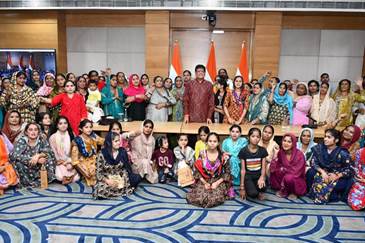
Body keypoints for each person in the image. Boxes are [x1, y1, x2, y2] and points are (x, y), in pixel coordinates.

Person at [307, 129, 353, 204]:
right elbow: (314, 162)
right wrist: (323, 172)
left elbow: (350, 169)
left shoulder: (342, 153)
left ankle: (332, 195)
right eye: (325, 136)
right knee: (310, 172)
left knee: (344, 182)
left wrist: (337, 175)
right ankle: (324, 194)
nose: (325, 139)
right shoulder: (319, 148)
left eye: (329, 137)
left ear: (336, 140)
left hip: (336, 175)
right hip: (322, 172)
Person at [186, 132, 231, 208]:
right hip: (204, 179)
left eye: (214, 141)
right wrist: (204, 183)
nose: (212, 143)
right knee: (199, 197)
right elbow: (197, 170)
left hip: (218, 180)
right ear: (206, 142)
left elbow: (227, 172)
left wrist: (216, 183)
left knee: (214, 198)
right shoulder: (202, 154)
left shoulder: (223, 156)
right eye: (210, 141)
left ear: (218, 143)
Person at [93, 132, 141, 199]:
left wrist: (122, 178)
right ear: (109, 142)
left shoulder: (122, 151)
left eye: (119, 141)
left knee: (137, 178)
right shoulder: (102, 154)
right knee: (100, 189)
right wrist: (108, 181)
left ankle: (117, 191)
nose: (119, 143)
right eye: (116, 141)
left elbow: (127, 168)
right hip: (108, 178)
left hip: (121, 177)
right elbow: (98, 173)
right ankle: (120, 191)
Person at [9, 123, 56, 188]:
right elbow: (14, 155)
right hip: (26, 166)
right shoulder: (22, 141)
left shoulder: (41, 140)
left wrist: (38, 156)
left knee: (48, 158)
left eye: (35, 130)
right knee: (18, 163)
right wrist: (31, 159)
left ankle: (43, 180)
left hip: (39, 166)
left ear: (38, 132)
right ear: (26, 132)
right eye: (30, 130)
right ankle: (26, 183)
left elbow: (49, 151)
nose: (33, 132)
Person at [270, 133, 306, 199]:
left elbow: (297, 172)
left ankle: (293, 192)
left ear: (293, 143)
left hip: (295, 179)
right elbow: (273, 168)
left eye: (289, 142)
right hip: (284, 175)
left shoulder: (299, 155)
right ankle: (283, 188)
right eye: (284, 141)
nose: (286, 143)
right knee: (274, 171)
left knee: (289, 178)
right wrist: (275, 156)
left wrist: (284, 169)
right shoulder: (280, 152)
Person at [71, 119, 104, 186]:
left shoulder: (93, 136)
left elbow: (103, 141)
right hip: (84, 162)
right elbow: (75, 161)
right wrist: (84, 172)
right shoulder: (77, 141)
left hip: (95, 159)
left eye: (90, 127)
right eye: (86, 127)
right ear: (80, 129)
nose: (89, 129)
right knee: (93, 174)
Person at [49, 116, 80, 185]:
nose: (63, 125)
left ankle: (70, 176)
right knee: (59, 177)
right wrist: (62, 162)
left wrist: (70, 161)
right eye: (60, 123)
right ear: (57, 126)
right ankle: (67, 177)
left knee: (76, 178)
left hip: (70, 160)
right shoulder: (53, 137)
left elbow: (75, 151)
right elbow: (53, 152)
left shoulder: (72, 135)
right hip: (59, 162)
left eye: (65, 123)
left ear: (68, 124)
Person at [238, 128, 267, 200]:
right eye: (253, 136)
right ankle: (250, 187)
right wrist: (242, 187)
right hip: (248, 176)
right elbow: (243, 170)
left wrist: (262, 177)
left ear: (260, 138)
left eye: (258, 137)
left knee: (263, 187)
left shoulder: (263, 150)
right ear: (249, 137)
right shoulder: (243, 151)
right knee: (253, 194)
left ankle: (256, 188)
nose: (255, 139)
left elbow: (263, 168)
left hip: (258, 175)